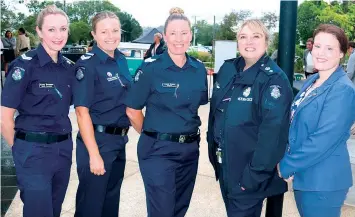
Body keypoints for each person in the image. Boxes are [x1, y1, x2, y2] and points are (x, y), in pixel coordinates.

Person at [125, 7, 208, 217]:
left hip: (189, 150)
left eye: (183, 33)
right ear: (165, 36)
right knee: (162, 211)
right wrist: (154, 135)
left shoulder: (198, 69)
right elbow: (133, 111)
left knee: (179, 209)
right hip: (158, 152)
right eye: (173, 33)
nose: (178, 39)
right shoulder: (151, 68)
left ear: (190, 35)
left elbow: (195, 108)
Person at [207, 19, 293, 217]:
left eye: (256, 36)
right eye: (243, 37)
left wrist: (252, 178)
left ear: (266, 42)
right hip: (226, 166)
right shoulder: (229, 69)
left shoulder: (273, 80)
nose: (249, 42)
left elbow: (273, 135)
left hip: (248, 174)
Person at [1, 5, 74, 217]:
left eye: (62, 29)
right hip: (32, 151)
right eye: (51, 29)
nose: (58, 35)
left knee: (54, 210)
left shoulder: (70, 68)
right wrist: (22, 150)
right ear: (39, 31)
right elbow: (4, 119)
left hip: (63, 150)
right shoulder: (25, 66)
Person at [279, 24, 355, 217]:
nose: (320, 53)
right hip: (307, 176)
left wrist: (287, 164)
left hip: (323, 182)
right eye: (318, 46)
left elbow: (323, 139)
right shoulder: (313, 81)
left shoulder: (342, 89)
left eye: (330, 48)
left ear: (341, 53)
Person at [72, 11, 132, 217]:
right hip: (97, 142)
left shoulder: (121, 60)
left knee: (110, 204)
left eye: (115, 30)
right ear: (94, 34)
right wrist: (94, 155)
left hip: (118, 142)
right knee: (90, 206)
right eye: (104, 31)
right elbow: (81, 112)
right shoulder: (87, 64)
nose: (110, 36)